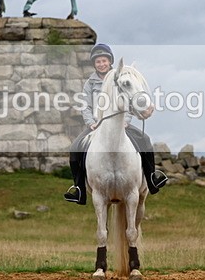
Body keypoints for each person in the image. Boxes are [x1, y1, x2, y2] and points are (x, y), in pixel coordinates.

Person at [63, 43, 168, 205]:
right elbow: (86, 105)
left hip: (120, 124)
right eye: (98, 62)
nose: (101, 64)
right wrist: (90, 122)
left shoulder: (119, 78)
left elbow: (127, 99)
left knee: (145, 140)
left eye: (104, 61)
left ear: (110, 61)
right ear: (94, 64)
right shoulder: (90, 83)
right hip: (96, 125)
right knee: (76, 147)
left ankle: (152, 178)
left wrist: (126, 121)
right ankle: (79, 190)